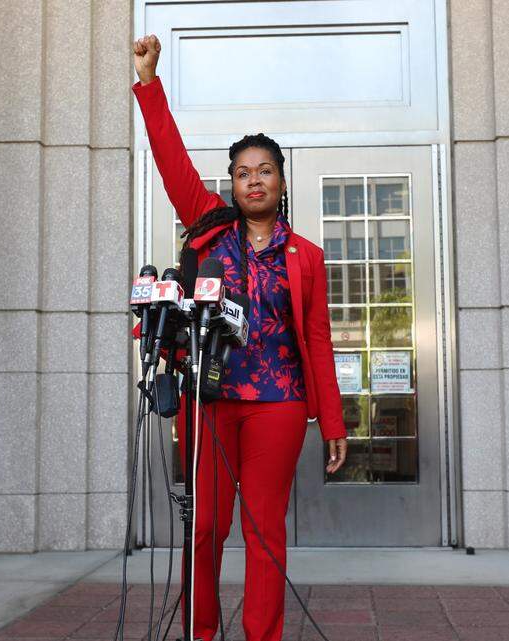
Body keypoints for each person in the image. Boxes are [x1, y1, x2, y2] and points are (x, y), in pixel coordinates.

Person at [132, 35, 348, 641]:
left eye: (266, 171)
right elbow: (170, 158)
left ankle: (262, 637)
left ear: (281, 181)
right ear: (230, 183)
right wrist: (149, 84)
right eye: (243, 172)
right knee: (203, 527)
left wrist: (331, 420)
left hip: (278, 405)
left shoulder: (306, 256)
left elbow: (319, 339)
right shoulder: (209, 232)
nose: (254, 180)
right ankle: (201, 633)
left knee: (263, 530)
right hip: (208, 400)